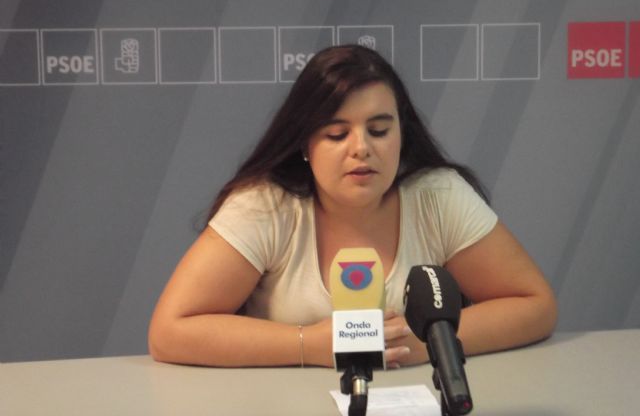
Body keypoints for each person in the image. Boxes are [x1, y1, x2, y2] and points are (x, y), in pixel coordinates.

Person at [148, 45, 557, 368]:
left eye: (378, 130)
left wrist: (423, 342)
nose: (361, 149)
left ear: (402, 135)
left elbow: (534, 305)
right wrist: (308, 345)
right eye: (337, 134)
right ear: (305, 144)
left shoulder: (439, 196)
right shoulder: (265, 206)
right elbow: (170, 332)